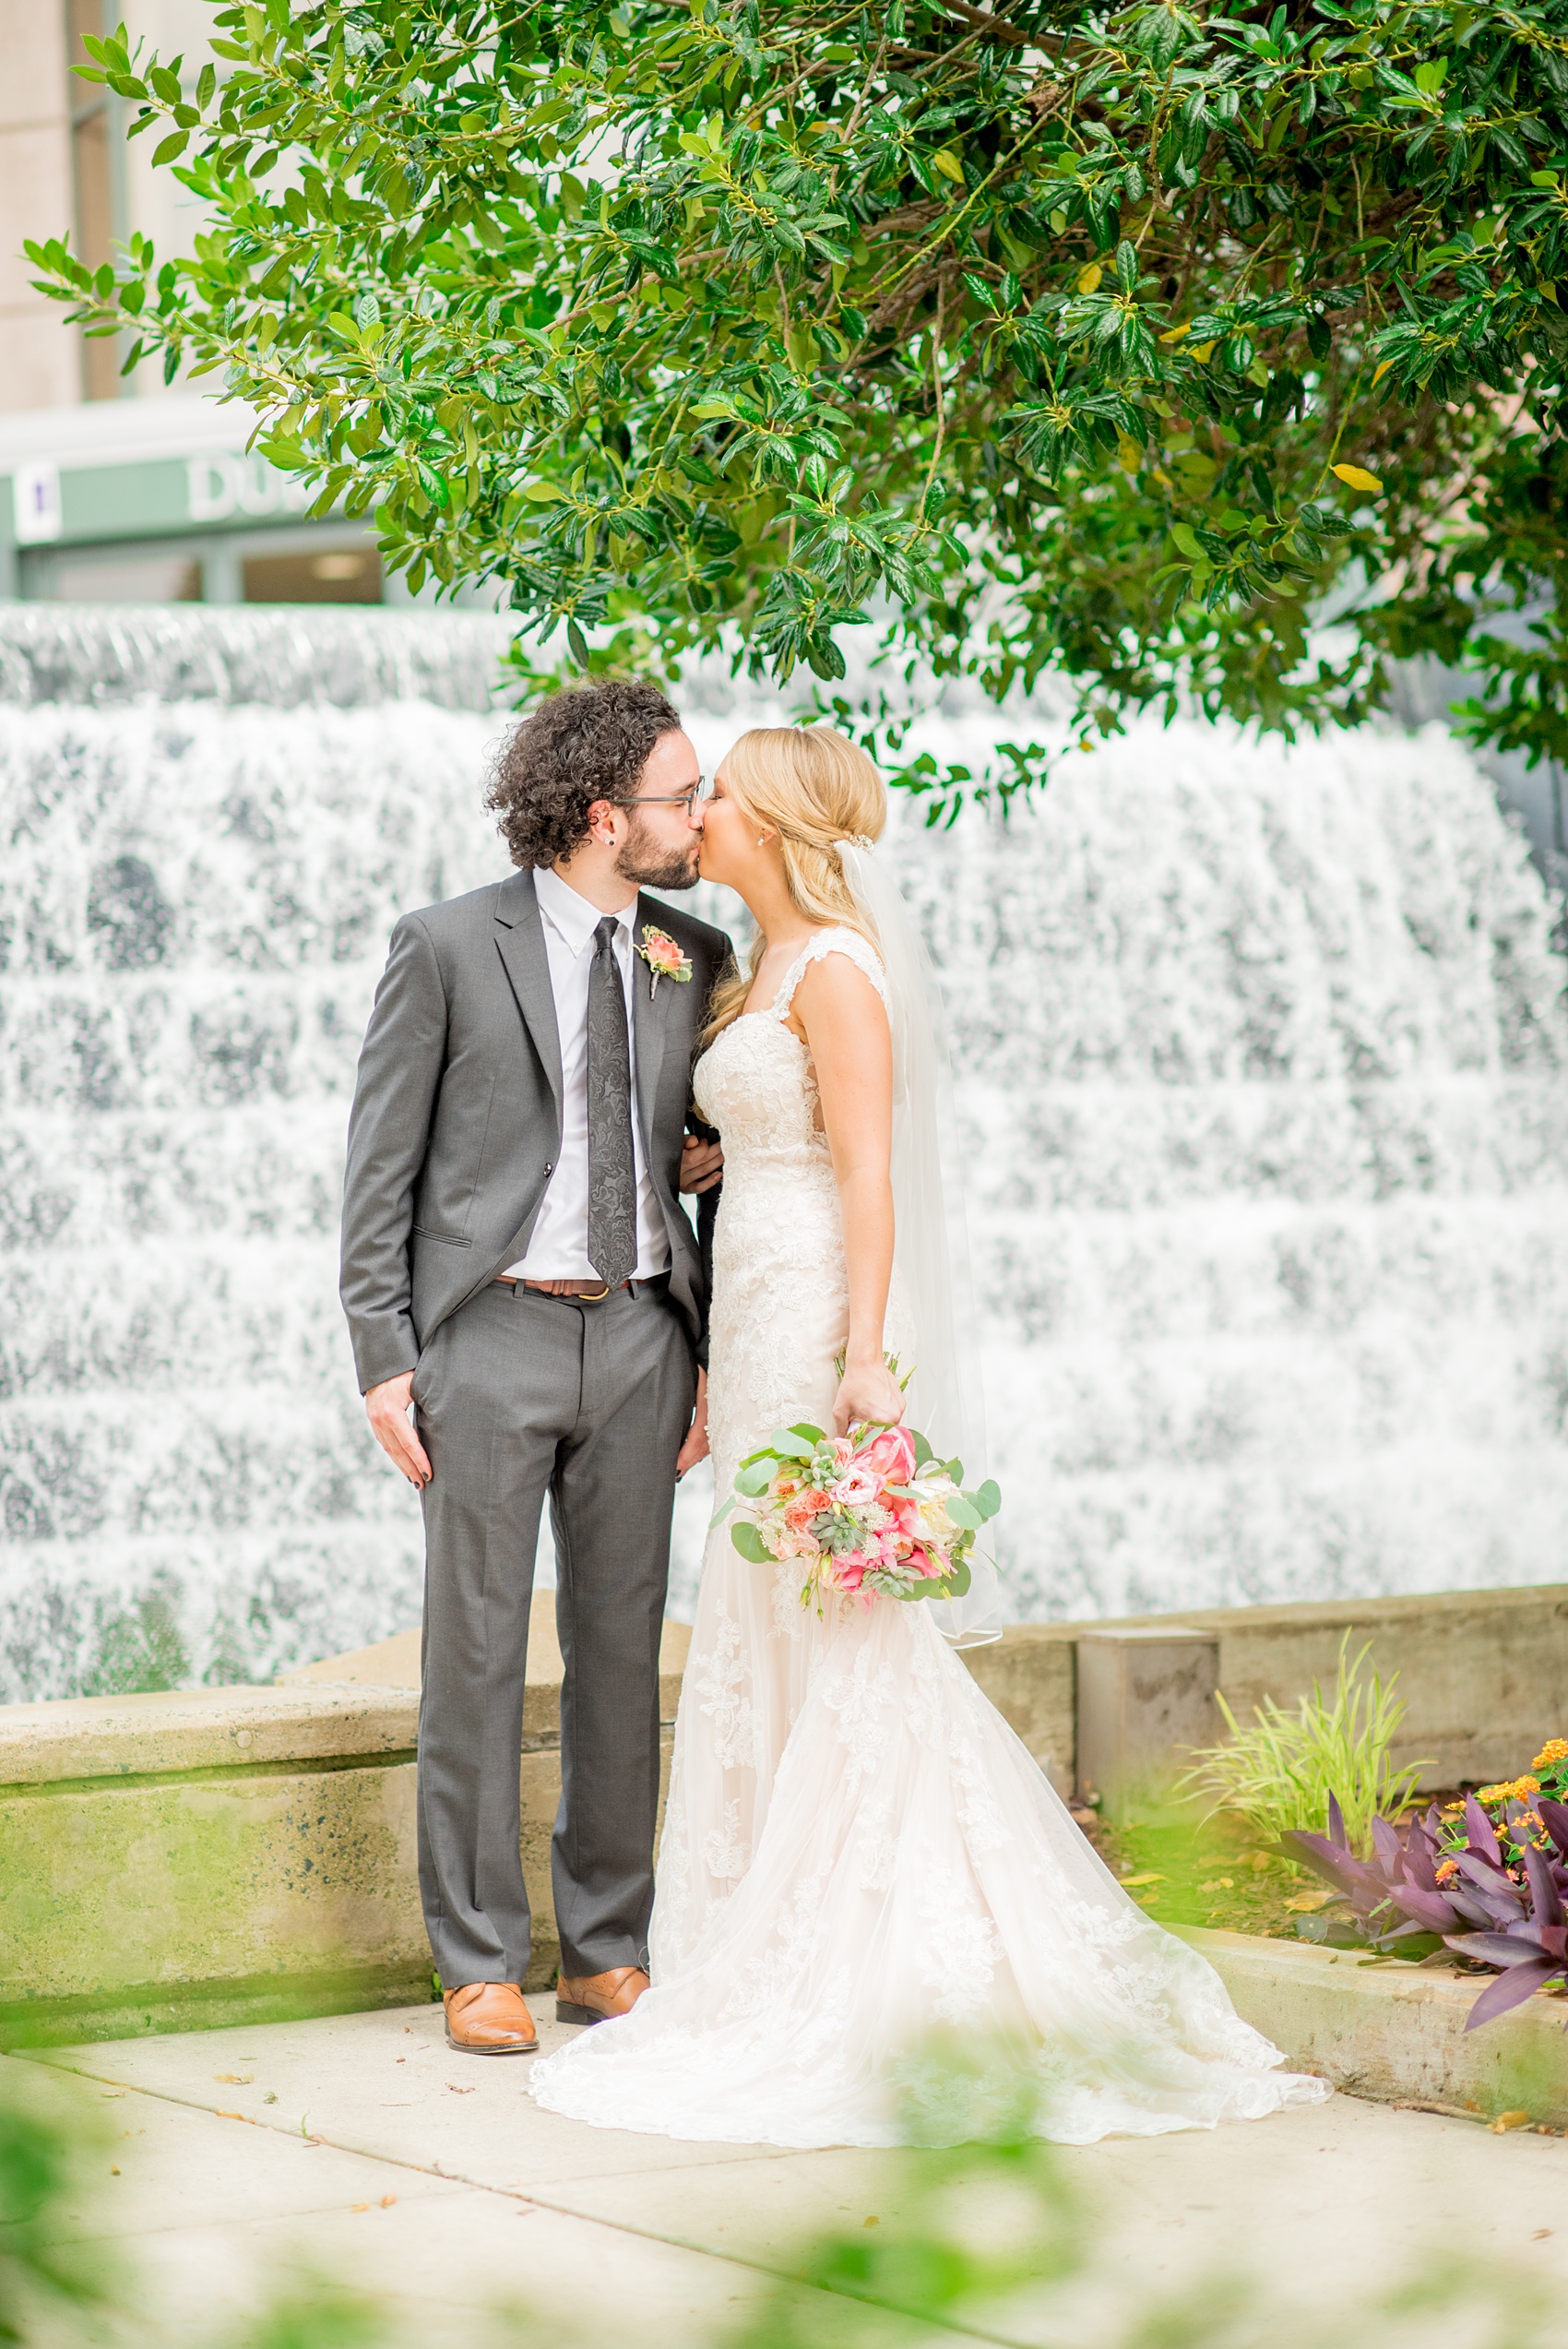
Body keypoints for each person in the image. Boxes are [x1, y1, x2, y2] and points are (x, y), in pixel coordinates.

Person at [529, 726, 1331, 2146]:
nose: (697, 815)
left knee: (843, 1615)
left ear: (771, 824)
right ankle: (774, 1926)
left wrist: (867, 1361)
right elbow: (753, 1146)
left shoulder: (837, 972)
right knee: (767, 1595)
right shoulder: (746, 971)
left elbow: (869, 1171)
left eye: (719, 798)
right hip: (755, 1303)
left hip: (820, 1307)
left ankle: (885, 1937)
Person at [339, 681, 731, 2056]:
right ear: (602, 812)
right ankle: (479, 1958)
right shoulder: (446, 945)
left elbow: (721, 1155)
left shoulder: (696, 948)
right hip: (491, 1330)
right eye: (685, 795)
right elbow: (377, 1169)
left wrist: (712, 1347)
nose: (705, 815)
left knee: (622, 1651)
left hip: (640, 1332)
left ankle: (606, 1950)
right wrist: (385, 1356)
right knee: (478, 1648)